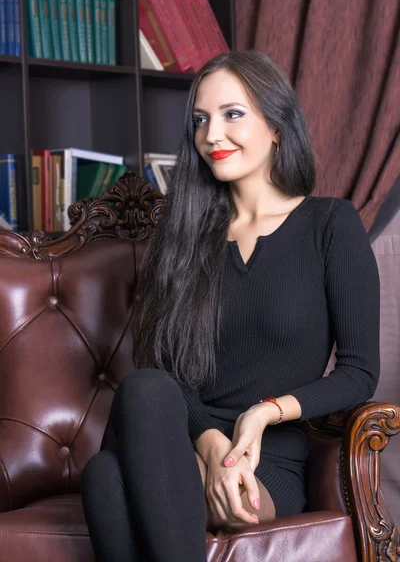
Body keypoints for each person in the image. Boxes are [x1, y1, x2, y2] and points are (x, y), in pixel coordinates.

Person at [80, 50, 381, 562]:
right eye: (200, 120)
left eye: (232, 114)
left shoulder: (330, 225)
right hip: (179, 438)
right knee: (144, 393)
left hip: (269, 459)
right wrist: (212, 443)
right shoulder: (183, 236)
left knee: (105, 477)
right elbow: (164, 369)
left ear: (278, 126)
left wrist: (264, 414)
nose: (212, 135)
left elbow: (358, 373)